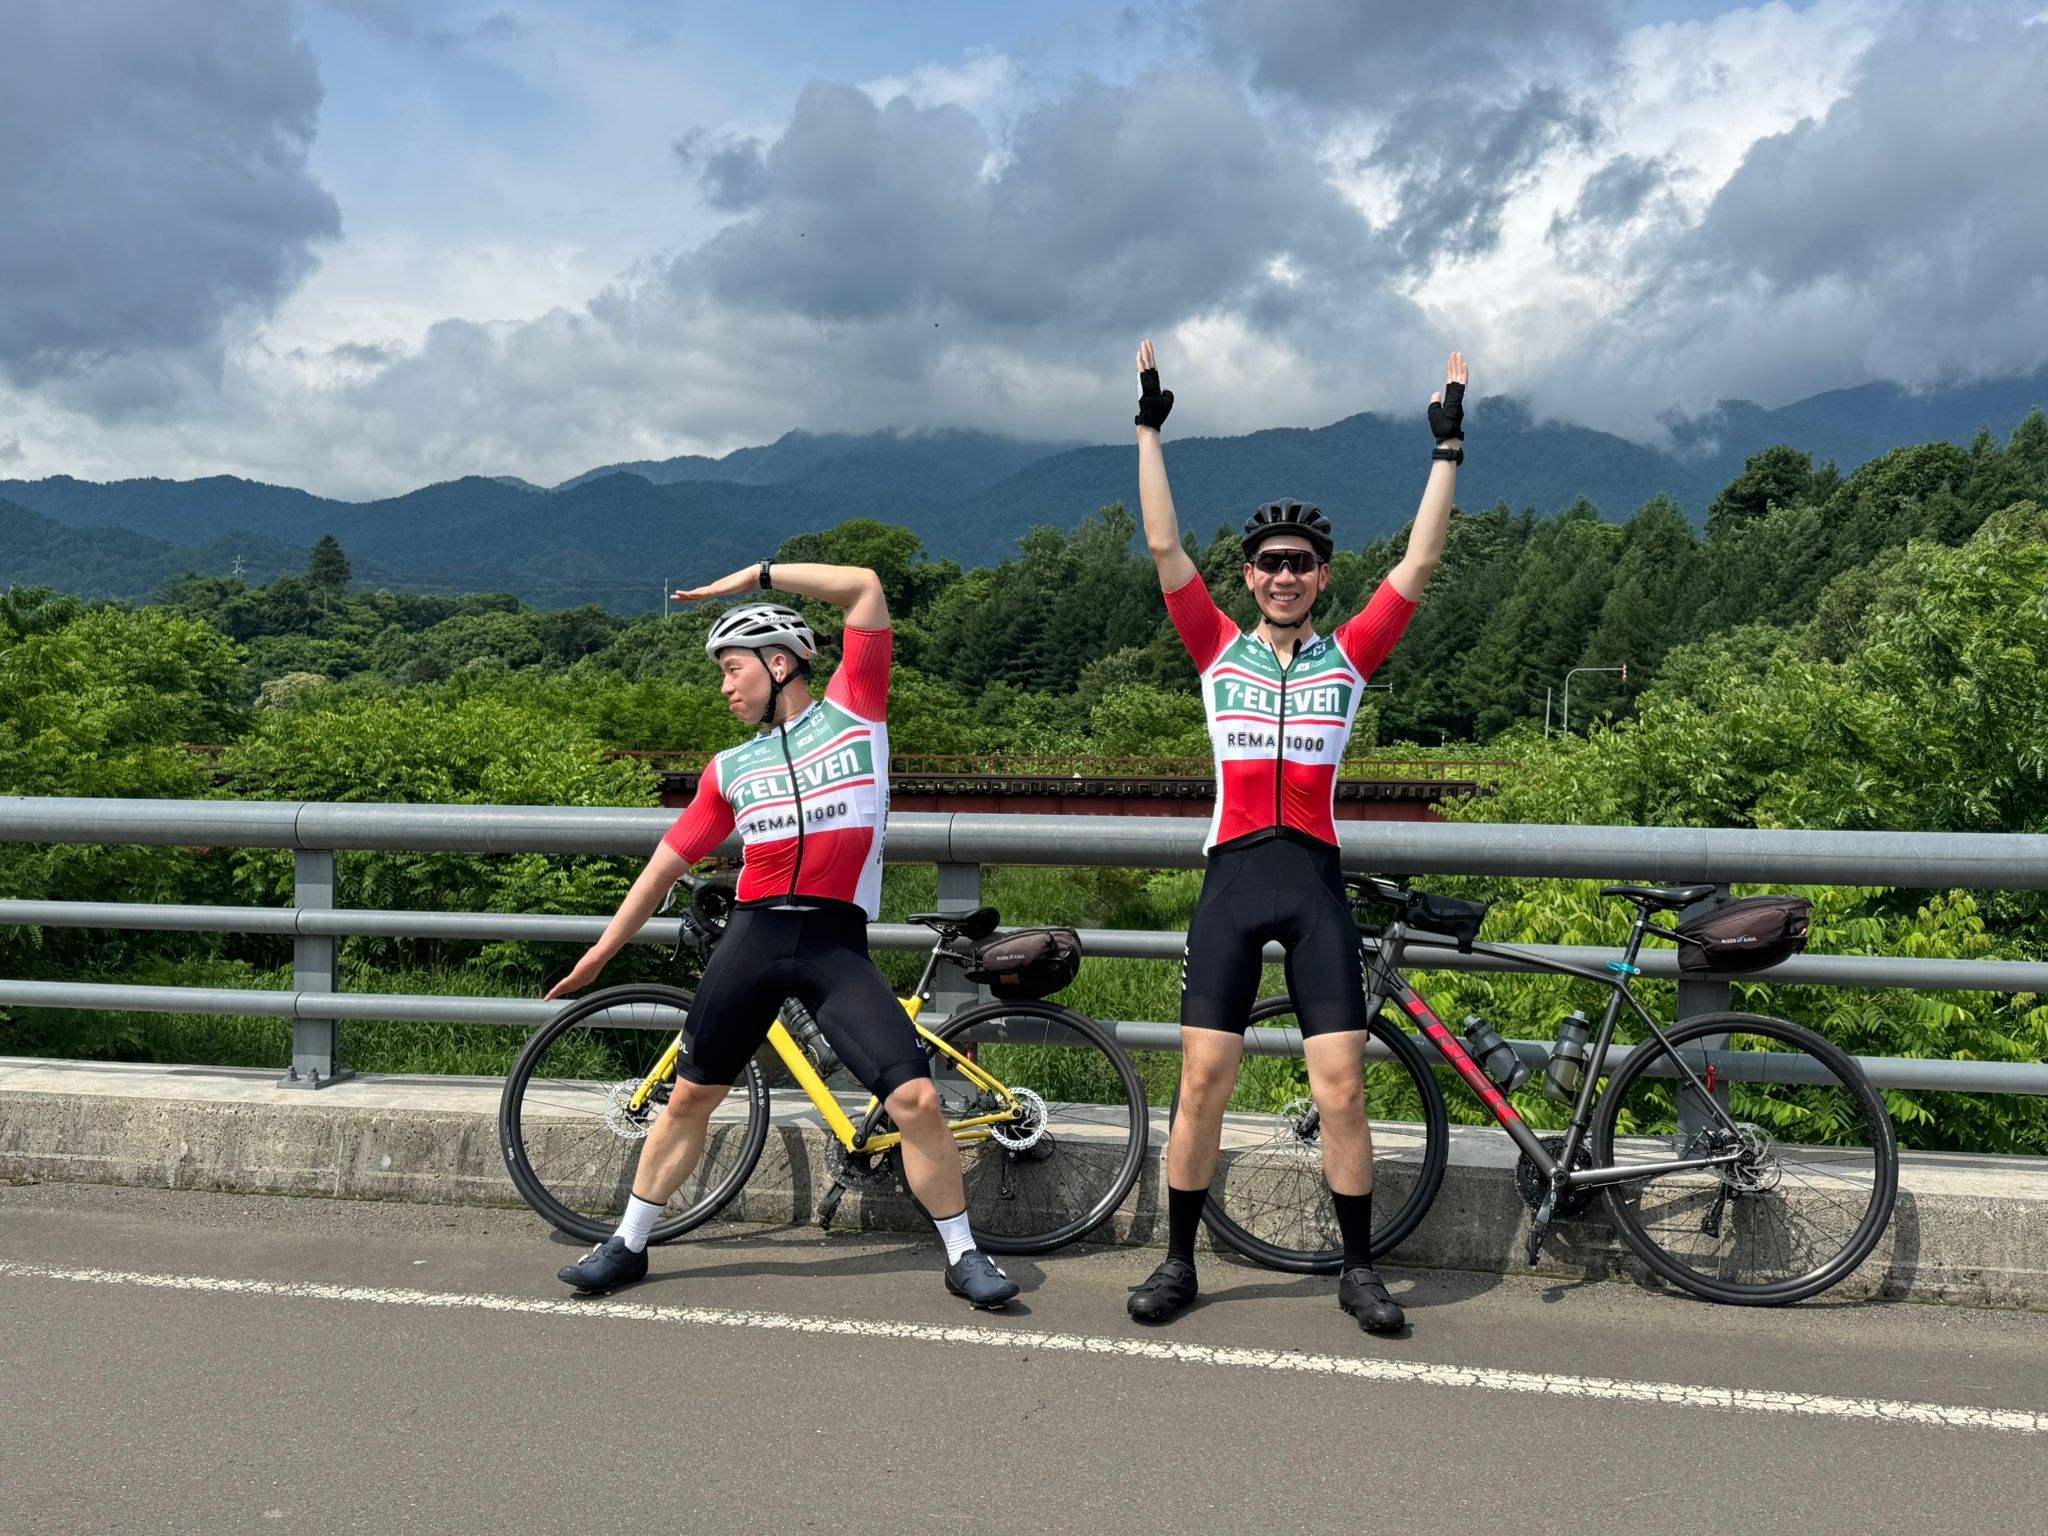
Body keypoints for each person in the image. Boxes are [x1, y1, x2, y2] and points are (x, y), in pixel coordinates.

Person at [546, 557, 1021, 1309]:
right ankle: (627, 1243)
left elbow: (865, 588)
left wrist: (757, 577)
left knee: (919, 1102)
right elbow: (668, 862)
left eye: (734, 669)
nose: (726, 687)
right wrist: (604, 948)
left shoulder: (857, 714)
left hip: (835, 943)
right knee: (690, 1098)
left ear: (780, 663)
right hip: (754, 938)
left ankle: (964, 1255)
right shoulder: (731, 768)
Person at [1126, 339, 1466, 1332]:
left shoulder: (1348, 659)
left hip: (1312, 878)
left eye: (1301, 565)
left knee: (1343, 1085)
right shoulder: (1214, 650)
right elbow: (1160, 548)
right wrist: (1146, 431)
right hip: (1232, 877)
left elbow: (1421, 561)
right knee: (1200, 1081)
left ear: (1321, 579)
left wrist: (1445, 450)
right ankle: (1178, 1260)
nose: (1284, 576)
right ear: (1248, 575)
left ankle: (1358, 1270)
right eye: (1270, 564)